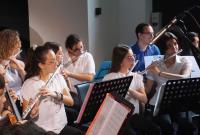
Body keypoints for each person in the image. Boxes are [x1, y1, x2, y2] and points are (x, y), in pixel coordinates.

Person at [21, 45, 83, 135]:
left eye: (55, 60)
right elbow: (25, 117)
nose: (56, 64)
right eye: (52, 62)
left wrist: (55, 94)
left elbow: (71, 102)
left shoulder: (58, 77)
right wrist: (32, 113)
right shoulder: (29, 84)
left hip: (61, 127)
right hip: (43, 131)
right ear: (41, 65)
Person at [103, 45, 161, 135]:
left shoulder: (136, 76)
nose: (133, 59)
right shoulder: (109, 78)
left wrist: (130, 90)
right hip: (118, 117)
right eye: (129, 57)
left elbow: (144, 99)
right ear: (120, 61)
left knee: (156, 130)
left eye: (133, 56)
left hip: (134, 115)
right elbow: (106, 104)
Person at [145, 32, 196, 135]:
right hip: (159, 104)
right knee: (166, 126)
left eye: (175, 43)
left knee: (186, 124)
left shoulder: (185, 61)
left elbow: (184, 77)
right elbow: (147, 90)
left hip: (180, 102)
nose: (174, 47)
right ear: (163, 48)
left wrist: (159, 73)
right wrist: (134, 81)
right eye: (169, 45)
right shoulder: (155, 64)